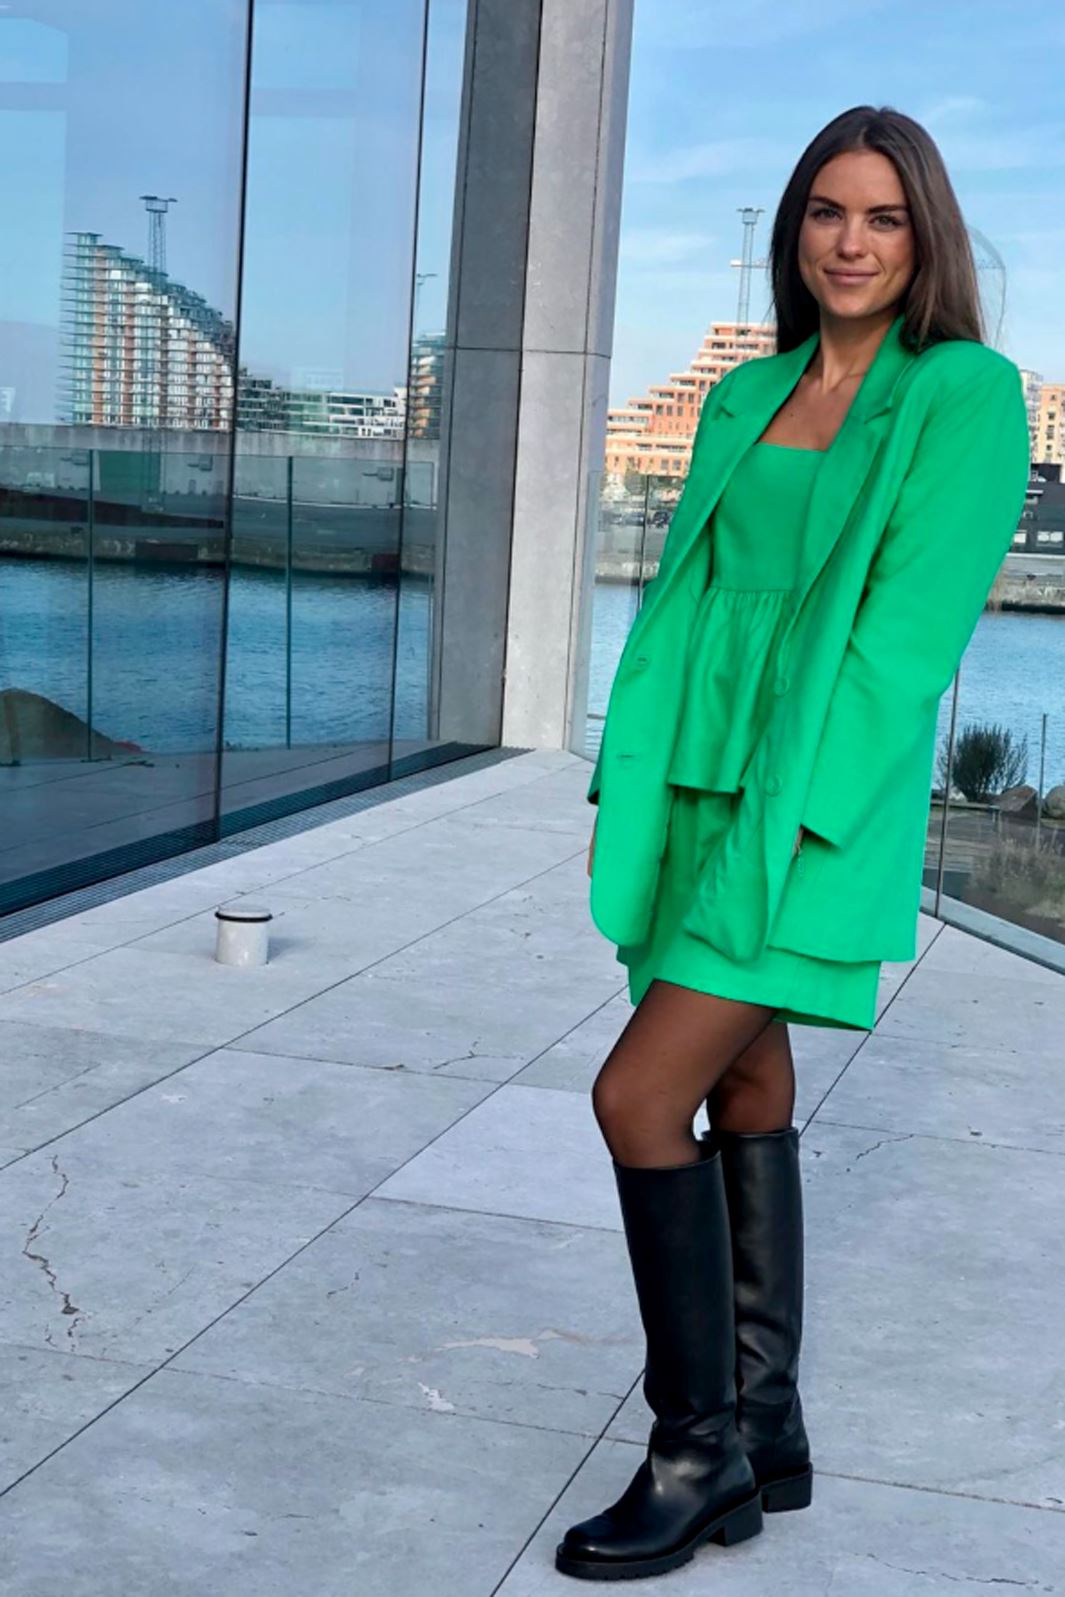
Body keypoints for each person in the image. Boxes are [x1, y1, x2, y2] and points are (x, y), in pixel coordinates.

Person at [556, 104, 1031, 1583]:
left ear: (924, 237)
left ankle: (692, 1454)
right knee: (742, 1079)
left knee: (637, 1094)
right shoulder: (745, 390)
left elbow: (906, 637)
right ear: (794, 229)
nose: (851, 241)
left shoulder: (960, 392)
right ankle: (766, 1429)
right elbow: (694, 596)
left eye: (883, 217)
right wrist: (640, 770)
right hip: (697, 782)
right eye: (828, 211)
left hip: (807, 799)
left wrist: (806, 811)